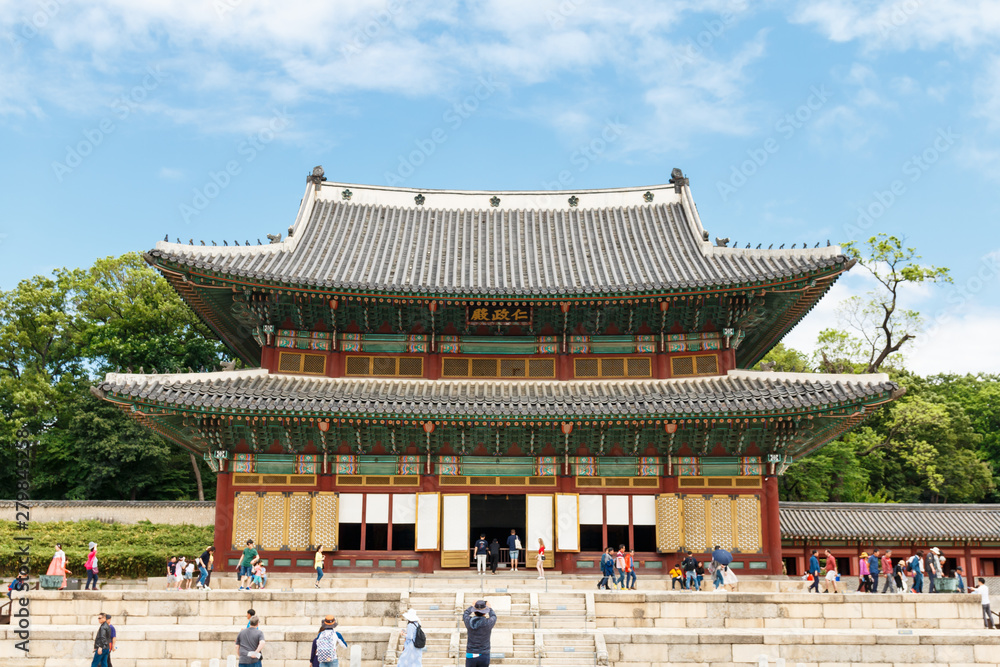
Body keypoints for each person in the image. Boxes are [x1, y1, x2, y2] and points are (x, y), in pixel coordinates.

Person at [463, 599, 497, 667]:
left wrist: (472, 606)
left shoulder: (468, 622)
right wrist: (490, 608)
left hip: (471, 653)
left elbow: (465, 614)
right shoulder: (488, 623)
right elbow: (494, 616)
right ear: (485, 612)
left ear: (474, 611)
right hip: (484, 654)